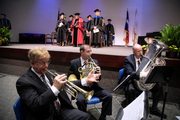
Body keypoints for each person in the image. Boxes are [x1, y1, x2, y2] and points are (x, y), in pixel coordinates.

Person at [16, 47, 102, 120]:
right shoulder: (23, 82)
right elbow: (36, 105)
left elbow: (69, 83)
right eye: (42, 62)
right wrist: (54, 88)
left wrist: (86, 80)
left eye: (47, 62)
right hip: (45, 116)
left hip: (61, 109)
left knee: (87, 117)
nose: (46, 66)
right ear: (32, 63)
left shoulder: (51, 73)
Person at [121, 44, 167, 118]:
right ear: (133, 51)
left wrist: (157, 66)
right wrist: (140, 75)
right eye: (138, 51)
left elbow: (150, 68)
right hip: (133, 80)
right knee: (130, 89)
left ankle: (154, 108)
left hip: (144, 81)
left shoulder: (144, 58)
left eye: (141, 50)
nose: (140, 52)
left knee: (158, 86)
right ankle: (131, 110)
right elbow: (129, 72)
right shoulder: (128, 59)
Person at [68, 44, 112, 120]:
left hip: (93, 87)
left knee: (108, 96)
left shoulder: (94, 61)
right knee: (80, 100)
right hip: (80, 89)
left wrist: (99, 74)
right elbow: (70, 81)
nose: (90, 53)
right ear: (82, 52)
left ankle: (103, 116)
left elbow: (98, 79)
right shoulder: (74, 63)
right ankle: (84, 117)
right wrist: (84, 80)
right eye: (88, 51)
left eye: (91, 51)